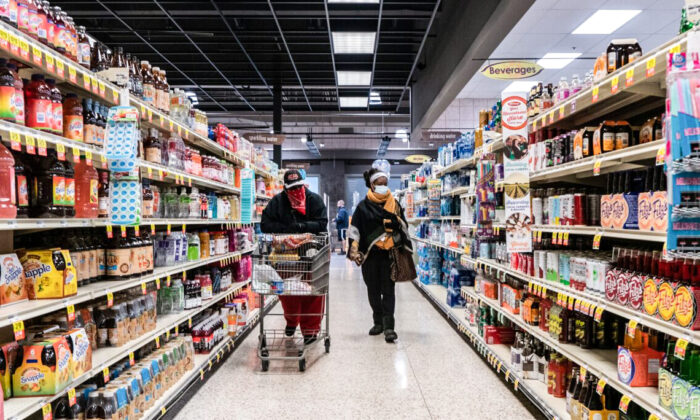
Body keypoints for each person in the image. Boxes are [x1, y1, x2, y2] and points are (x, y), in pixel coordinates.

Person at [261, 169, 328, 344]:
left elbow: (322, 224)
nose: (296, 191)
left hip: (313, 253)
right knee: (287, 290)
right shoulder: (277, 202)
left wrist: (300, 227)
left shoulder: (315, 200)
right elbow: (265, 224)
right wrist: (287, 229)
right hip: (286, 254)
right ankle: (292, 321)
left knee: (313, 291)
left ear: (303, 184)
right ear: (285, 188)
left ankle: (310, 330)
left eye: (299, 186)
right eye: (292, 188)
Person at [347, 168, 413, 343]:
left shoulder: (395, 204)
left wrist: (396, 227)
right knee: (373, 289)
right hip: (370, 255)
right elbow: (354, 230)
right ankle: (378, 322)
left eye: (385, 184)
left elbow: (404, 226)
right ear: (372, 184)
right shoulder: (362, 207)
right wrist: (353, 249)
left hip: (389, 254)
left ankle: (389, 326)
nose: (384, 187)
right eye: (380, 184)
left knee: (388, 289)